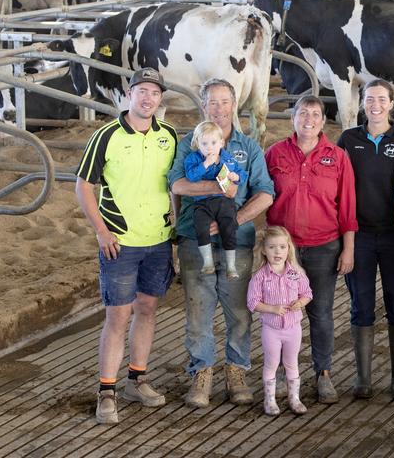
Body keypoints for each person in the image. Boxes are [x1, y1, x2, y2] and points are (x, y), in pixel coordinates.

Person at [75, 67, 178, 424]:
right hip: (119, 242)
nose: (147, 98)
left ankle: (137, 379)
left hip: (158, 240)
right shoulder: (106, 135)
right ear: (128, 94)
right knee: (118, 315)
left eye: (154, 92)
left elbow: (174, 184)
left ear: (160, 98)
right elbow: (83, 185)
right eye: (141, 91)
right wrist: (102, 231)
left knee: (147, 309)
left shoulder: (169, 136)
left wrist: (174, 219)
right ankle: (106, 391)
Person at [167, 78, 274, 408]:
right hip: (193, 237)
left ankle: (237, 370)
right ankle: (201, 372)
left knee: (239, 312)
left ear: (234, 105)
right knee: (198, 311)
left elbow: (265, 194)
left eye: (225, 102)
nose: (220, 108)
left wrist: (233, 221)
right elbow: (178, 184)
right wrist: (215, 190)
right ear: (203, 107)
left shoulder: (249, 147)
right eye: (213, 102)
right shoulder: (189, 143)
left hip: (237, 240)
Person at [265, 95, 358, 404]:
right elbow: (263, 197)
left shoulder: (338, 156)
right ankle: (280, 372)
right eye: (303, 113)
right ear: (293, 118)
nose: (309, 118)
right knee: (280, 314)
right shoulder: (275, 153)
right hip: (283, 251)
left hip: (323, 247)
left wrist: (348, 249)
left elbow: (347, 207)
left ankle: (323, 373)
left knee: (321, 313)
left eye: (315, 114)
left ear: (323, 120)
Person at [337, 79, 394, 400]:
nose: (375, 105)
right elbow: (338, 187)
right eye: (369, 99)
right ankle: (363, 379)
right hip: (360, 236)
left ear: (392, 104)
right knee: (361, 305)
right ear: (362, 104)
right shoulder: (348, 139)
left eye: (381, 99)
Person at [247, 226, 313, 416]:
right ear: (263, 250)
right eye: (272, 247)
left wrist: (300, 302)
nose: (278, 252)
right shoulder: (260, 277)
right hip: (271, 329)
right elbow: (252, 302)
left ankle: (294, 398)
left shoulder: (295, 273)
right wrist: (272, 309)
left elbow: (307, 293)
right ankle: (270, 399)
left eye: (282, 247)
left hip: (293, 327)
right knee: (272, 363)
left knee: (292, 362)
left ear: (288, 249)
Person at [184, 120, 248, 278]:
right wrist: (205, 164)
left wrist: (236, 176)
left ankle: (231, 266)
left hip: (224, 201)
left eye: (213, 142)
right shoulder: (193, 159)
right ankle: (207, 262)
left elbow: (243, 174)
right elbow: (191, 176)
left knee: (229, 227)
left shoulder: (228, 159)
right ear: (197, 143)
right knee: (200, 226)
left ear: (221, 142)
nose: (209, 147)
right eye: (204, 143)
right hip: (202, 201)